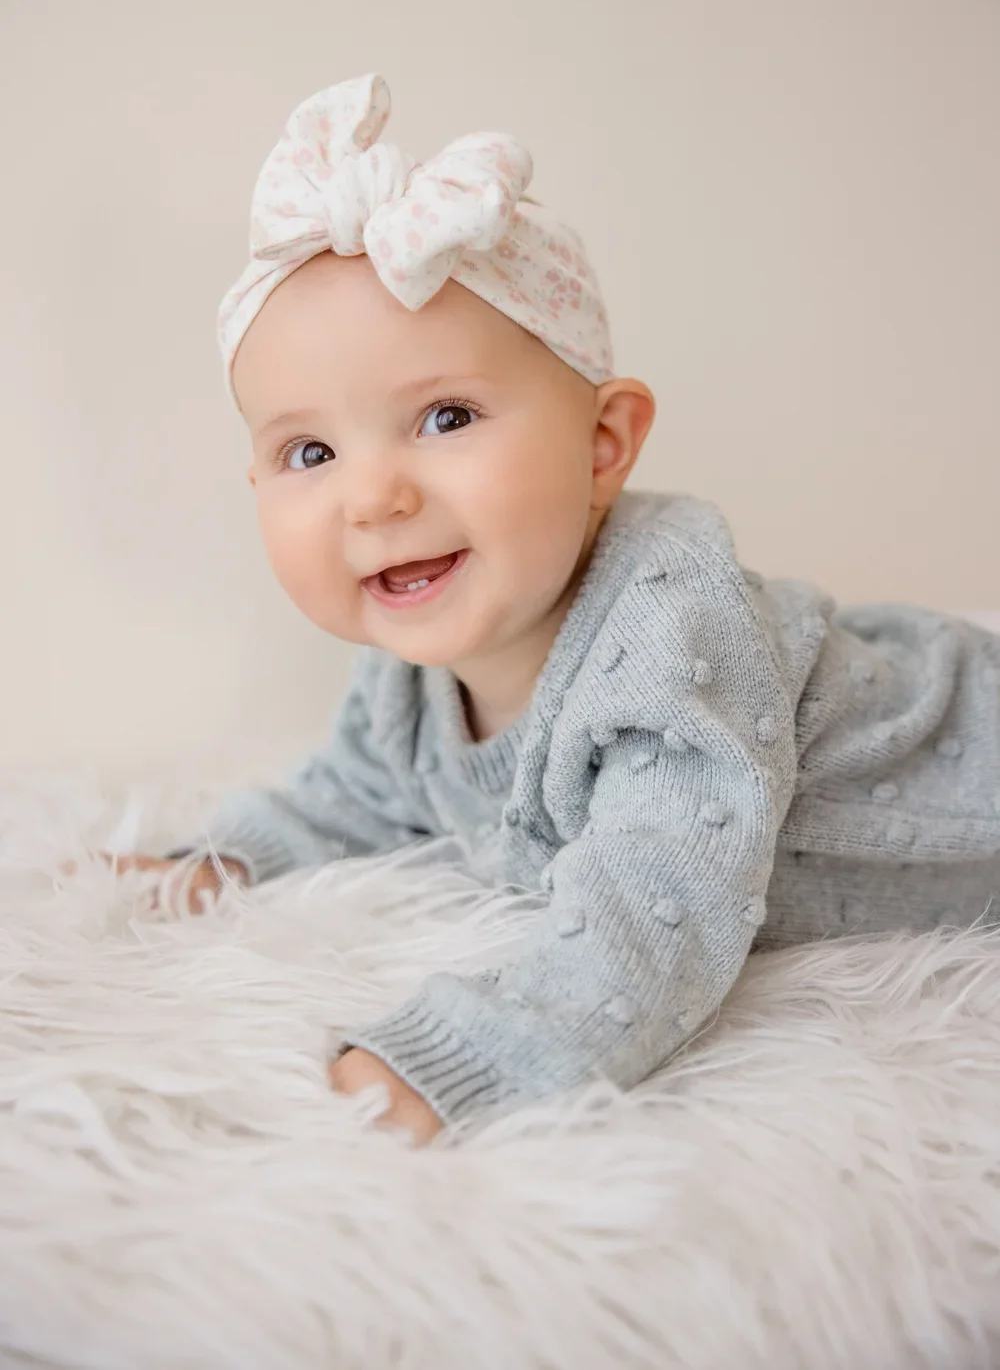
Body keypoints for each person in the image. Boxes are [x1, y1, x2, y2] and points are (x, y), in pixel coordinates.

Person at [99, 73, 1000, 1147]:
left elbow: (660, 906)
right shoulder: (414, 662)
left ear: (601, 446)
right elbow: (357, 791)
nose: (374, 494)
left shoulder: (669, 622)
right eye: (311, 451)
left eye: (444, 415)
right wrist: (225, 856)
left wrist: (472, 1050)